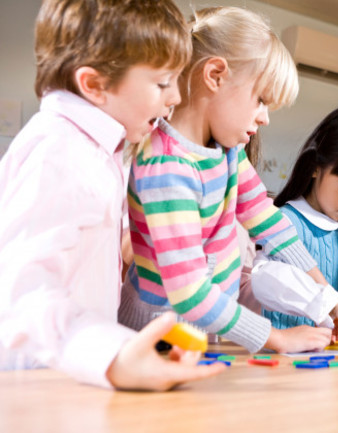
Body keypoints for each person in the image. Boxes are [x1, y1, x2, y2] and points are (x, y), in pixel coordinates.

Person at [118, 7, 338, 354]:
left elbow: (269, 223)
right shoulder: (166, 167)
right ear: (215, 76)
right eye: (260, 100)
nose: (264, 117)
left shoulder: (227, 152)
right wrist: (277, 339)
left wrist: (331, 302)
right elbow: (190, 293)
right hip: (155, 335)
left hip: (195, 332)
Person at [0, 0, 225, 391]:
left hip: (70, 378)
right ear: (95, 84)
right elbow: (22, 293)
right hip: (38, 383)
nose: (174, 97)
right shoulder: (59, 151)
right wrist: (112, 357)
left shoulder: (98, 152)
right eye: (161, 83)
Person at [250, 105, 338, 335]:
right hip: (284, 356)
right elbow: (263, 279)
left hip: (334, 358)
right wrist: (334, 305)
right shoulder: (284, 221)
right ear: (316, 167)